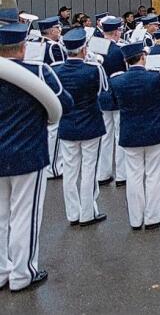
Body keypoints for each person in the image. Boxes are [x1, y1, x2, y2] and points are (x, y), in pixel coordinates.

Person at [0, 21, 73, 291]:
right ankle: (22, 273)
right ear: (23, 46)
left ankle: (1, 271)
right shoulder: (38, 71)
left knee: (0, 217)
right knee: (24, 216)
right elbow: (65, 103)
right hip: (27, 152)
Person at [108, 41, 160, 230]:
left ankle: (135, 219)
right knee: (155, 175)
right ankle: (153, 217)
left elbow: (110, 101)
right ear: (143, 57)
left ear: (126, 61)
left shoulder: (116, 79)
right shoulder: (157, 75)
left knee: (134, 176)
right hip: (156, 131)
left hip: (131, 132)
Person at [53, 28, 108, 227]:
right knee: (89, 170)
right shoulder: (93, 69)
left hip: (67, 125)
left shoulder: (56, 70)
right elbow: (104, 90)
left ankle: (73, 214)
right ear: (84, 49)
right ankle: (88, 212)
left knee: (69, 171)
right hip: (91, 124)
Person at [96, 17, 128, 187]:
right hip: (117, 95)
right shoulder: (118, 50)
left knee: (105, 137)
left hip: (101, 95)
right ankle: (122, 175)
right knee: (119, 135)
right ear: (116, 31)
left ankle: (103, 173)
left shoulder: (95, 47)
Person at [36, 16, 66, 179]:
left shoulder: (36, 44)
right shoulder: (54, 47)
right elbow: (61, 69)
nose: (59, 30)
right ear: (51, 31)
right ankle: (54, 167)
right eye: (57, 28)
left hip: (40, 90)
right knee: (55, 129)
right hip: (54, 90)